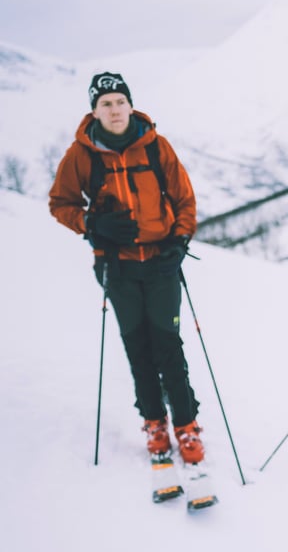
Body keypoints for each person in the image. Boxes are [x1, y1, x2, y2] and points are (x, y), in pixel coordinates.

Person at [49, 72, 206, 464]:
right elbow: (60, 203)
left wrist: (179, 240)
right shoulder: (81, 156)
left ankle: (186, 426)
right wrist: (91, 225)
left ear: (130, 104)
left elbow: (185, 199)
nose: (115, 109)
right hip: (115, 267)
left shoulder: (156, 146)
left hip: (161, 262)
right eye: (106, 103)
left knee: (168, 345)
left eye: (120, 101)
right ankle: (154, 422)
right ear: (94, 110)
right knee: (137, 346)